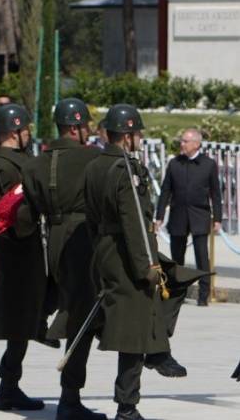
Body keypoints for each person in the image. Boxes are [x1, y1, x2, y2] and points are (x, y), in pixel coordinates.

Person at [84, 104, 207, 420]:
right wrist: (147, 266)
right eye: (137, 133)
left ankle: (158, 351)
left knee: (177, 279)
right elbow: (134, 223)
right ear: (126, 136)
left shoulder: (95, 165)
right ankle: (128, 406)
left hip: (106, 250)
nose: (139, 138)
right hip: (129, 254)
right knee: (133, 330)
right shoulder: (125, 169)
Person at [21, 98, 105, 420]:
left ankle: (45, 321)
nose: (87, 131)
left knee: (74, 310)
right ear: (75, 126)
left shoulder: (35, 164)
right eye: (85, 125)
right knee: (81, 318)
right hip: (83, 238)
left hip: (50, 240)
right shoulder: (93, 159)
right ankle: (70, 397)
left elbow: (26, 215)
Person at [0, 104, 50, 412]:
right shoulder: (2, 166)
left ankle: (9, 384)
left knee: (27, 319)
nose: (29, 134)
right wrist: (31, 213)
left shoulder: (20, 161)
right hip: (16, 252)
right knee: (19, 324)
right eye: (25, 130)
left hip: (29, 250)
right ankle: (7, 387)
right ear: (14, 131)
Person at [155, 128, 222, 307]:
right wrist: (159, 216)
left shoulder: (208, 164)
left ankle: (203, 295)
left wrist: (218, 219)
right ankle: (177, 294)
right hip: (178, 216)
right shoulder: (175, 163)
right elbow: (166, 191)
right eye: (181, 141)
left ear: (196, 144)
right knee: (177, 258)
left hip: (200, 216)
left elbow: (216, 193)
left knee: (202, 256)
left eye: (185, 141)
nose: (182, 144)